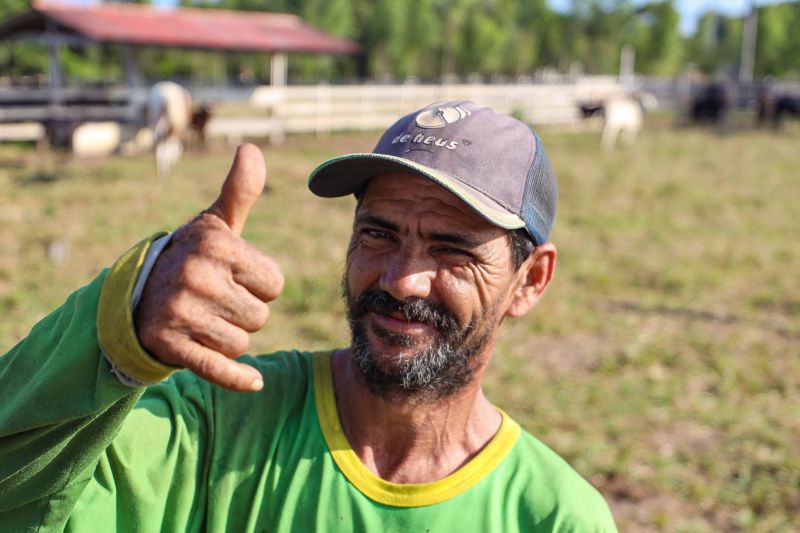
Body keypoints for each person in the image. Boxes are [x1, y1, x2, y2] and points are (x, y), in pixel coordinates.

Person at [0, 101, 617, 531]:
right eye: (377, 233)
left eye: (453, 249)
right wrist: (117, 327)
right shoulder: (212, 429)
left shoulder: (556, 516)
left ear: (530, 281)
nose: (402, 278)